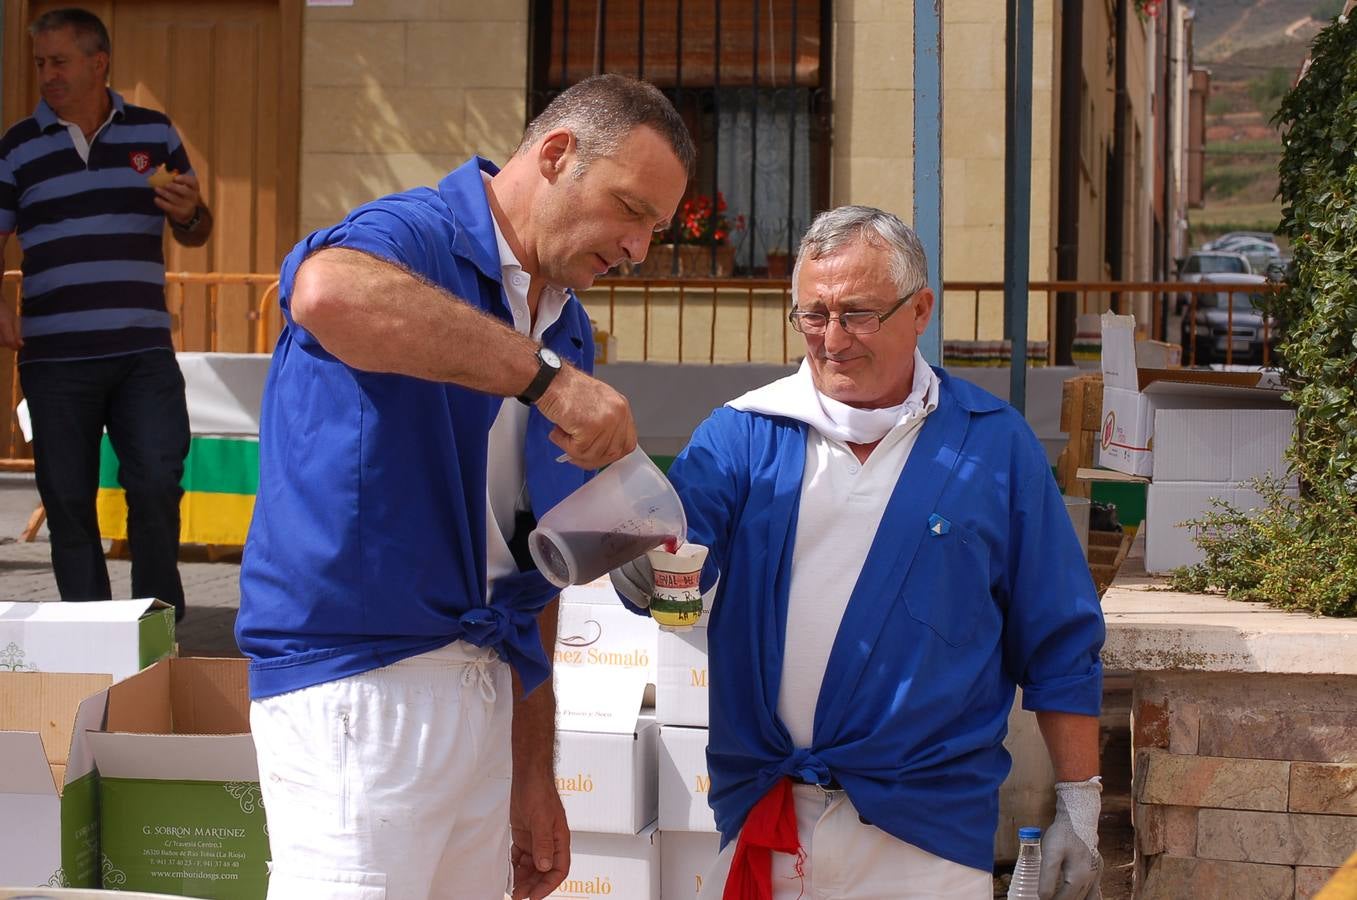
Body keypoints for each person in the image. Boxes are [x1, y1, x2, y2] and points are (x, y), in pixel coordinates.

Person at [235, 74, 693, 900]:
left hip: (483, 686)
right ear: (555, 155)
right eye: (631, 210)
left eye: (656, 229)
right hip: (358, 683)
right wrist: (545, 379)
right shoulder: (415, 233)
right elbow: (326, 292)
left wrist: (531, 770)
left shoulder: (567, 320)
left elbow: (541, 564)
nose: (638, 249)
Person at [613, 206, 1106, 900]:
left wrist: (1078, 808)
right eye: (812, 315)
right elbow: (680, 572)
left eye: (857, 314)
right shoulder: (741, 436)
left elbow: (1059, 639)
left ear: (920, 310)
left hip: (927, 841)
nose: (832, 339)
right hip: (770, 818)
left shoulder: (995, 446)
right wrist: (643, 568)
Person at [0, 8, 213, 622]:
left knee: (154, 487)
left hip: (141, 356)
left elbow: (195, 229)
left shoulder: (150, 137)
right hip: (55, 360)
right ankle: (88, 639)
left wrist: (190, 212)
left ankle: (154, 634)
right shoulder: (17, 146)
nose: (47, 75)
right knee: (67, 504)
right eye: (40, 63)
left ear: (99, 62)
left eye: (59, 61)